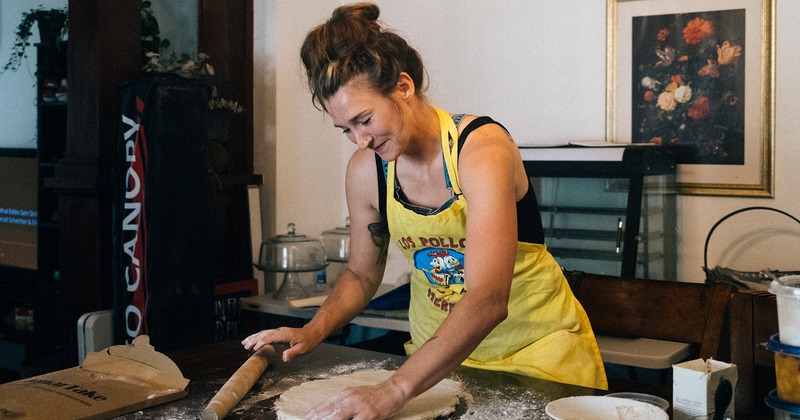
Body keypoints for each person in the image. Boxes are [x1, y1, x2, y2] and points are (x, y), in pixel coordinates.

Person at [242, 2, 607, 418]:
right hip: (437, 368)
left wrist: (394, 389)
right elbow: (362, 273)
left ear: (402, 86)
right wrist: (314, 329)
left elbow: (487, 298)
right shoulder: (368, 171)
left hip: (538, 361)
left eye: (364, 119)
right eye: (345, 129)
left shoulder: (480, 149)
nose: (359, 140)